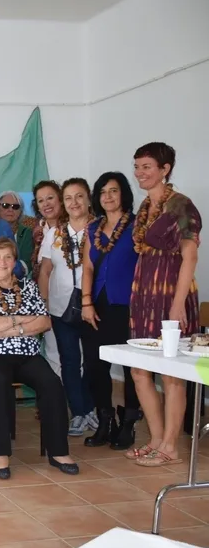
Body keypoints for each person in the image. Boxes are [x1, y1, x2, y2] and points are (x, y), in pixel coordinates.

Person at [0, 237, 79, 479]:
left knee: (52, 384)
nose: (2, 262)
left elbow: (45, 322)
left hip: (26, 354)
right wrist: (24, 320)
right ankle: (0, 454)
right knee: (0, 385)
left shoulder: (28, 287)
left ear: (15, 261)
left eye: (7, 257)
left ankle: (58, 451)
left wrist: (11, 328)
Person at [127, 142, 201, 467]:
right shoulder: (145, 207)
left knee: (172, 374)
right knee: (139, 369)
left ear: (165, 169)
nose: (140, 172)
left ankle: (171, 446)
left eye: (146, 166)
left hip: (171, 292)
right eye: (137, 166)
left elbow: (190, 255)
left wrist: (177, 304)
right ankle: (156, 438)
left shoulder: (181, 205)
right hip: (144, 293)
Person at [80, 172, 142, 450]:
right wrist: (85, 302)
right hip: (97, 306)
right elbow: (88, 267)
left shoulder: (138, 226)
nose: (108, 196)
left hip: (128, 305)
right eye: (103, 191)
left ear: (123, 194)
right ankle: (106, 420)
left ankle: (128, 423)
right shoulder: (92, 229)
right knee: (95, 364)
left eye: (113, 191)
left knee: (131, 368)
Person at [38, 178, 96, 437]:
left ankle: (95, 409)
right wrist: (44, 305)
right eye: (69, 197)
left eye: (79, 196)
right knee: (69, 361)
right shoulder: (55, 233)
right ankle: (79, 412)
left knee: (94, 363)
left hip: (93, 307)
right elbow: (46, 270)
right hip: (61, 307)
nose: (74, 202)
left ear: (88, 199)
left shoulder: (99, 229)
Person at [31, 180, 66, 378]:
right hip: (45, 299)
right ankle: (55, 401)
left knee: (72, 353)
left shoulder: (75, 228)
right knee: (52, 351)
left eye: (50, 198)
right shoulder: (38, 231)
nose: (46, 204)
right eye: (41, 200)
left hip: (69, 299)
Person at [0, 191, 34, 276]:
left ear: (20, 211)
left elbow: (26, 262)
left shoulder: (27, 232)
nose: (10, 210)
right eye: (5, 205)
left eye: (15, 207)